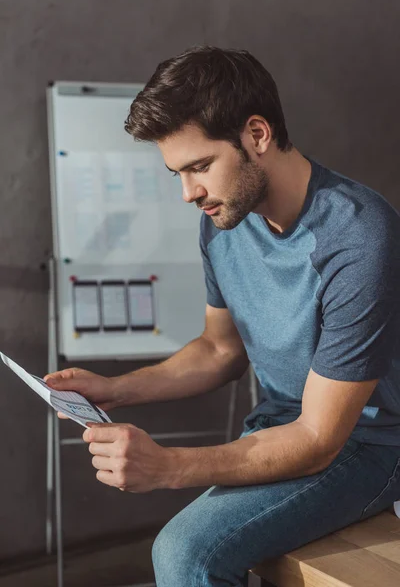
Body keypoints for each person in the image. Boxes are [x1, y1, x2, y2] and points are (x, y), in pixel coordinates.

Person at [45, 46, 400, 587]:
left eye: (199, 166)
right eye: (177, 174)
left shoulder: (359, 236)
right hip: (280, 425)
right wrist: (114, 389)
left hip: (367, 445)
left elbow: (319, 437)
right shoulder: (224, 218)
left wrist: (168, 467)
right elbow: (219, 350)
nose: (189, 193)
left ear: (257, 134)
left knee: (188, 554)